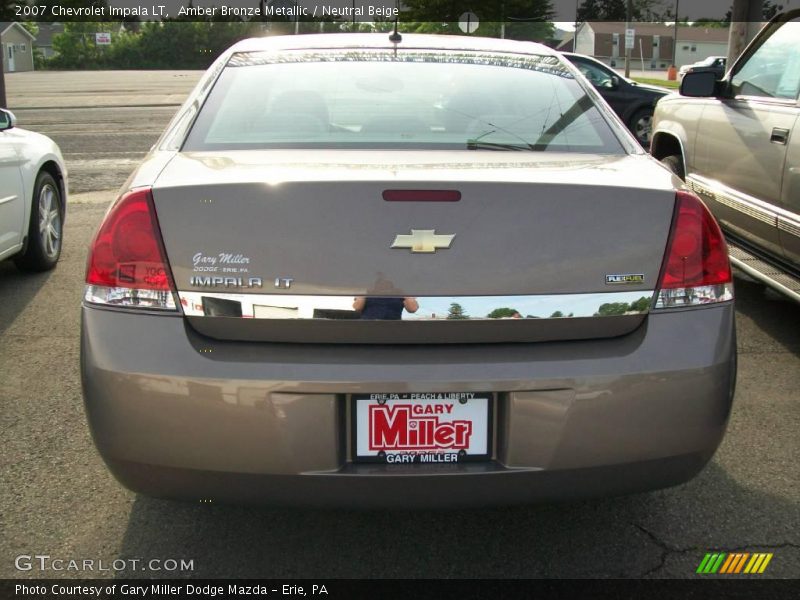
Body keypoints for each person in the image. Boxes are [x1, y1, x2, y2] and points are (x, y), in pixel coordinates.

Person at [353, 296, 419, 320]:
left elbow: (412, 309)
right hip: (368, 327)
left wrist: (407, 295)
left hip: (393, 328)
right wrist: (363, 295)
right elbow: (357, 307)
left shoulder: (399, 292)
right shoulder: (368, 290)